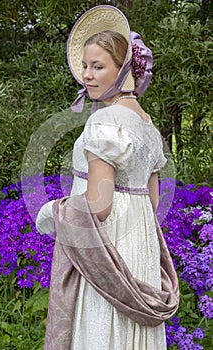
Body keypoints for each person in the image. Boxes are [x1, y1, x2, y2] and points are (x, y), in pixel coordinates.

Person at [36, 5, 179, 350]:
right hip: (139, 249)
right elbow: (153, 201)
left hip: (107, 249)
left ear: (124, 69)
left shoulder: (104, 121)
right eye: (85, 66)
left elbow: (99, 206)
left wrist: (52, 210)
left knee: (102, 328)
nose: (86, 75)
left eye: (98, 66)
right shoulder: (147, 124)